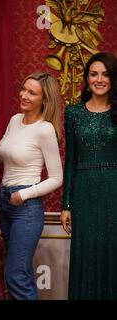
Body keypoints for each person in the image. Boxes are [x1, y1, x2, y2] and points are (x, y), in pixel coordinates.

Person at [0, 72, 63, 300]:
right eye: (23, 89)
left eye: (32, 93)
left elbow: (56, 178)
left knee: (16, 275)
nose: (24, 95)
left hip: (26, 208)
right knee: (21, 272)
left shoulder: (45, 129)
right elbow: (0, 158)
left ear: (45, 99)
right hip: (5, 201)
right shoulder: (14, 120)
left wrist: (24, 194)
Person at [61, 52, 117, 299]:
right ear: (86, 79)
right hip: (84, 193)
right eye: (94, 74)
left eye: (105, 74)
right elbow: (70, 161)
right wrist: (66, 204)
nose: (99, 79)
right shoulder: (73, 113)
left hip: (113, 191)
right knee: (86, 252)